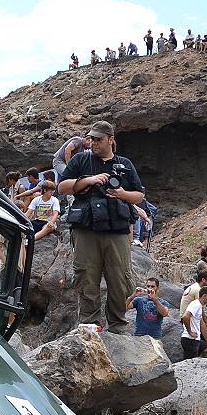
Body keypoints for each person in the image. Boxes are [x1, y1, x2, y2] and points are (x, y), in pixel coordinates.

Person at [57, 120, 144, 334]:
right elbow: (62, 187)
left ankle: (117, 326)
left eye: (99, 139)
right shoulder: (81, 160)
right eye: (91, 138)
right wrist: (88, 180)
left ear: (111, 140)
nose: (93, 143)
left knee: (120, 279)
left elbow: (139, 195)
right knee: (86, 277)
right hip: (86, 229)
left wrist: (122, 194)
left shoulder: (125, 164)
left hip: (116, 231)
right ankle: (89, 324)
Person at [179, 270, 207, 338]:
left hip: (187, 314)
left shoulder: (195, 286)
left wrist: (206, 316)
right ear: (203, 279)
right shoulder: (198, 290)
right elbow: (200, 308)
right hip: (188, 317)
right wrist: (206, 320)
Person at [181, 286, 207, 359]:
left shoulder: (199, 306)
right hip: (190, 340)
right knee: (190, 365)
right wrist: (190, 332)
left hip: (195, 340)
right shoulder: (196, 304)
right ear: (204, 296)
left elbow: (202, 324)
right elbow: (185, 317)